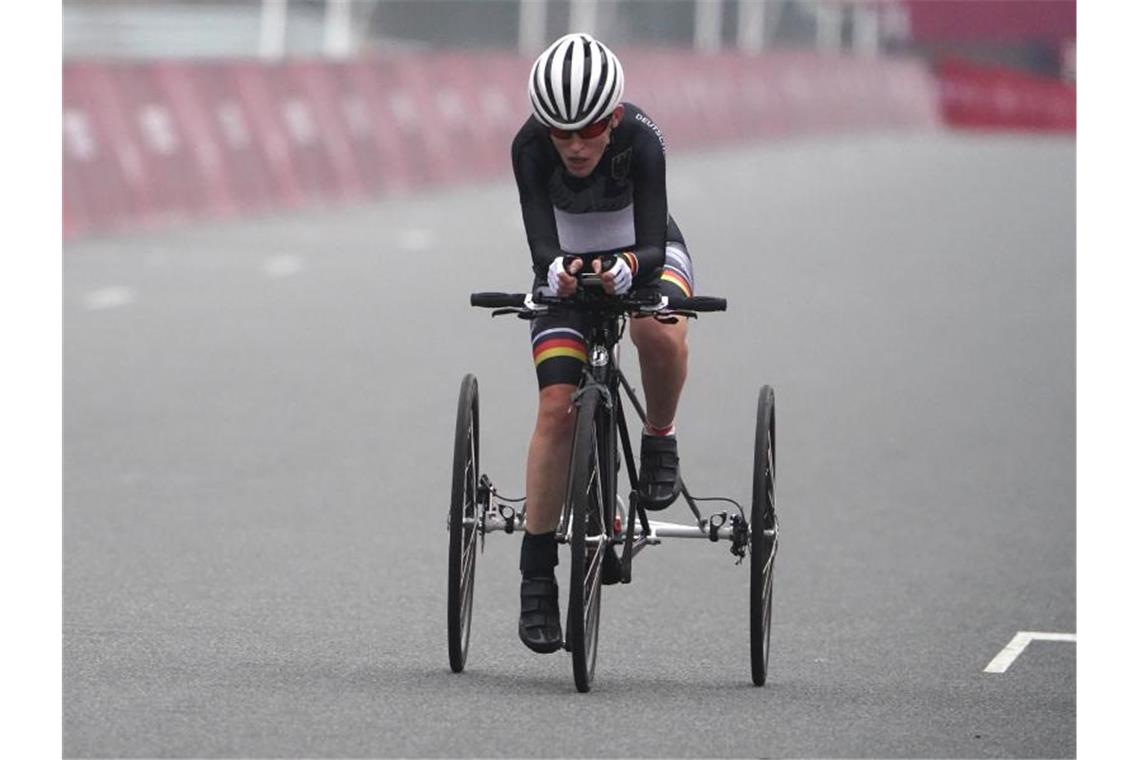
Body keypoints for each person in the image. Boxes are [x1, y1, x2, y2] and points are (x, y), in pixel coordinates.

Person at [511, 32, 697, 653]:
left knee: (655, 328)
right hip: (564, 260)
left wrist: (628, 269)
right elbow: (540, 247)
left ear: (612, 117)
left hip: (647, 249)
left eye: (588, 130)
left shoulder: (642, 138)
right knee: (555, 407)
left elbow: (650, 236)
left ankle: (659, 436)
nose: (573, 145)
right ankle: (537, 573)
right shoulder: (528, 147)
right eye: (559, 133)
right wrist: (557, 271)